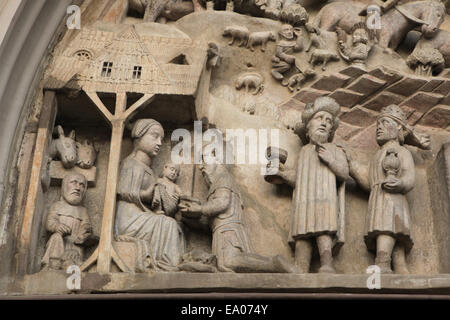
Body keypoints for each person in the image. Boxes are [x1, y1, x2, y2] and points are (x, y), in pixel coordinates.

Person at [269, 96, 349, 273]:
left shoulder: (334, 150)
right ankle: (300, 265)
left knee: (324, 230)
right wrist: (282, 173)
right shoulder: (304, 152)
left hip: (325, 200)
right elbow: (298, 177)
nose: (324, 123)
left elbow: (344, 173)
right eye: (319, 118)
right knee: (301, 232)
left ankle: (327, 264)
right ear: (308, 127)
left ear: (331, 130)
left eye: (328, 121)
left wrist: (331, 161)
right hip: (304, 201)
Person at [347, 104, 430, 273]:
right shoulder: (377, 155)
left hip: (394, 199)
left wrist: (401, 184)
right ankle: (399, 268)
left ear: (398, 127)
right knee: (389, 232)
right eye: (378, 124)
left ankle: (384, 264)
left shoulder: (402, 152)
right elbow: (369, 182)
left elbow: (409, 177)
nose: (379, 127)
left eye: (384, 123)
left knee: (388, 229)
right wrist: (352, 166)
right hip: (379, 198)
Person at [180, 158, 295, 273]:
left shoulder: (223, 179)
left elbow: (222, 203)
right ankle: (273, 263)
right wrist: (190, 218)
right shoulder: (221, 182)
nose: (201, 167)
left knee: (228, 262)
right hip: (223, 231)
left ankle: (274, 264)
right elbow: (212, 221)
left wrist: (200, 209)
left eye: (204, 161)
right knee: (228, 263)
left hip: (228, 231)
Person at [115, 119, 185, 272]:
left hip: (141, 214)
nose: (159, 143)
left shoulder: (150, 170)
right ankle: (168, 264)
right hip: (129, 218)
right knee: (168, 224)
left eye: (161, 138)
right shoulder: (131, 164)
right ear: (139, 136)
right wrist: (146, 195)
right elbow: (121, 191)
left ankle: (171, 262)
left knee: (173, 224)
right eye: (154, 136)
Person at [42, 173, 92, 270]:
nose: (78, 188)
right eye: (74, 182)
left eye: (82, 185)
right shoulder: (57, 205)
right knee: (56, 238)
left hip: (75, 244)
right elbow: (50, 222)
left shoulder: (83, 211)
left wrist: (84, 231)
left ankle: (72, 264)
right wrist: (57, 226)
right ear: (64, 186)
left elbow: (86, 225)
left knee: (75, 254)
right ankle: (52, 263)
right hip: (60, 240)